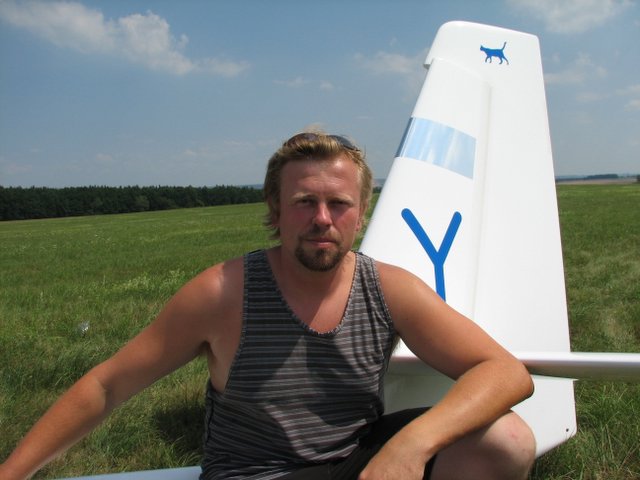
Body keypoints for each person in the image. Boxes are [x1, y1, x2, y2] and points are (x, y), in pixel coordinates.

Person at [1, 131, 536, 480]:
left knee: (507, 440)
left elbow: (504, 371)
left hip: (352, 460)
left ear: (361, 214)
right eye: (304, 202)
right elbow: (107, 386)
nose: (322, 218)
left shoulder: (388, 289)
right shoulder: (223, 292)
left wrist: (413, 444)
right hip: (253, 474)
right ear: (275, 210)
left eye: (338, 203)